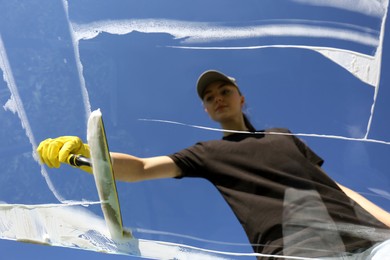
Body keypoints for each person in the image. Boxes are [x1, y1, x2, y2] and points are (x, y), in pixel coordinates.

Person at [38, 70, 390, 259]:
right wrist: (85, 155)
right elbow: (142, 169)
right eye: (209, 97)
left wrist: (387, 222)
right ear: (205, 110)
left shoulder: (282, 135)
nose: (217, 98)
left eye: (223, 91)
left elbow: (334, 186)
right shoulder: (206, 152)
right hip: (297, 254)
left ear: (240, 97)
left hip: (369, 241)